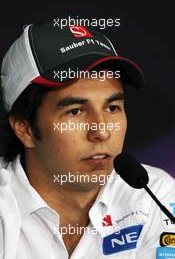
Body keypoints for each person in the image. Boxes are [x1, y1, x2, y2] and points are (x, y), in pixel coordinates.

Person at [0, 19, 175, 259]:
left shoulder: (156, 196)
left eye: (112, 107)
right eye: (75, 111)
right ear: (25, 128)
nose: (101, 132)